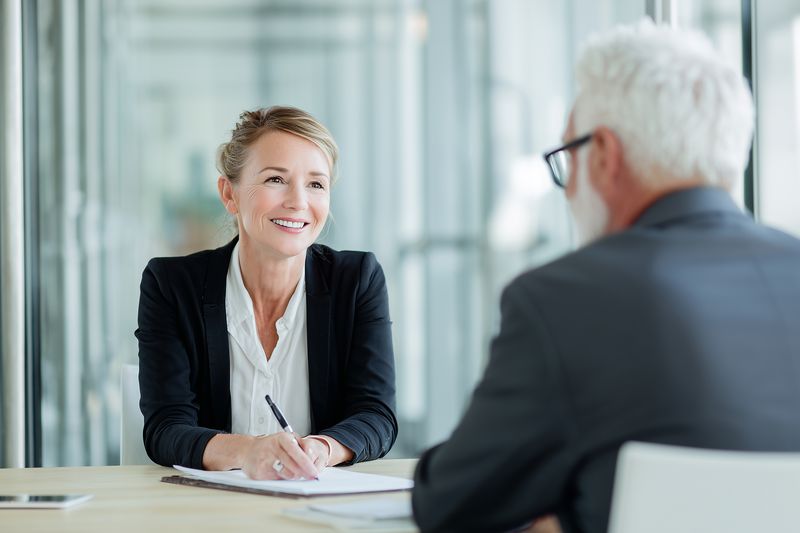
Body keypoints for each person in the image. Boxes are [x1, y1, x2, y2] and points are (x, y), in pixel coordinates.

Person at [412, 20, 800, 533]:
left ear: (605, 157)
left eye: (566, 160)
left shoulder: (564, 298)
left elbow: (451, 503)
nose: (568, 190)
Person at [135, 106, 397, 480]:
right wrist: (250, 450)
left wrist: (321, 448)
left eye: (316, 184)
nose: (298, 201)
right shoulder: (172, 285)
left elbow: (377, 416)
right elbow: (165, 429)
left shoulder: (357, 281)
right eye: (276, 179)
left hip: (314, 505)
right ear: (230, 193)